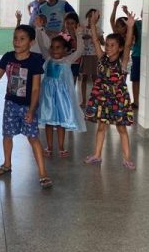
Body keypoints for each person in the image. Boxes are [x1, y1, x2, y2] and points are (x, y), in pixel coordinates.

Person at [0, 25, 52, 189]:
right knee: (7, 135)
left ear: (31, 42)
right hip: (10, 104)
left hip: (28, 106)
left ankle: (43, 173)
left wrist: (31, 110)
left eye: (22, 39)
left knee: (33, 138)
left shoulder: (35, 60)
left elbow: (36, 89)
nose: (17, 42)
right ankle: (7, 164)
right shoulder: (8, 57)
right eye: (15, 38)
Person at [83, 10, 136, 170]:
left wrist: (130, 27)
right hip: (102, 98)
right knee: (101, 127)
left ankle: (127, 158)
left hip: (118, 100)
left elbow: (128, 45)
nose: (108, 47)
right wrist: (93, 24)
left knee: (121, 129)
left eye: (113, 45)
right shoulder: (102, 59)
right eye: (107, 44)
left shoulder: (123, 62)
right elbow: (94, 40)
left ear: (120, 48)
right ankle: (97, 155)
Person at [35, 20, 87, 158]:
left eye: (58, 47)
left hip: (62, 98)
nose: (54, 50)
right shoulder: (48, 59)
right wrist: (39, 29)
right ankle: (49, 146)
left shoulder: (67, 60)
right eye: (52, 47)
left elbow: (80, 50)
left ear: (65, 50)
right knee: (48, 121)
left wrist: (79, 35)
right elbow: (41, 44)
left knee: (60, 123)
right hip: (48, 97)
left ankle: (61, 146)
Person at [80, 9, 104, 107]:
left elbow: (103, 43)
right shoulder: (83, 29)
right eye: (90, 16)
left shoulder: (98, 30)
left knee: (95, 78)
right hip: (85, 55)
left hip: (94, 56)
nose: (91, 18)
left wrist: (98, 38)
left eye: (94, 17)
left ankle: (96, 99)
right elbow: (79, 39)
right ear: (87, 17)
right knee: (84, 78)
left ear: (97, 19)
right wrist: (83, 37)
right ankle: (84, 100)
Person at [63, 12, 81, 84]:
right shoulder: (63, 36)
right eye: (67, 23)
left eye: (72, 23)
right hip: (65, 62)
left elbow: (78, 49)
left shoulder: (79, 35)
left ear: (77, 24)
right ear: (64, 23)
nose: (69, 25)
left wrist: (73, 36)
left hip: (76, 63)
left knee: (72, 83)